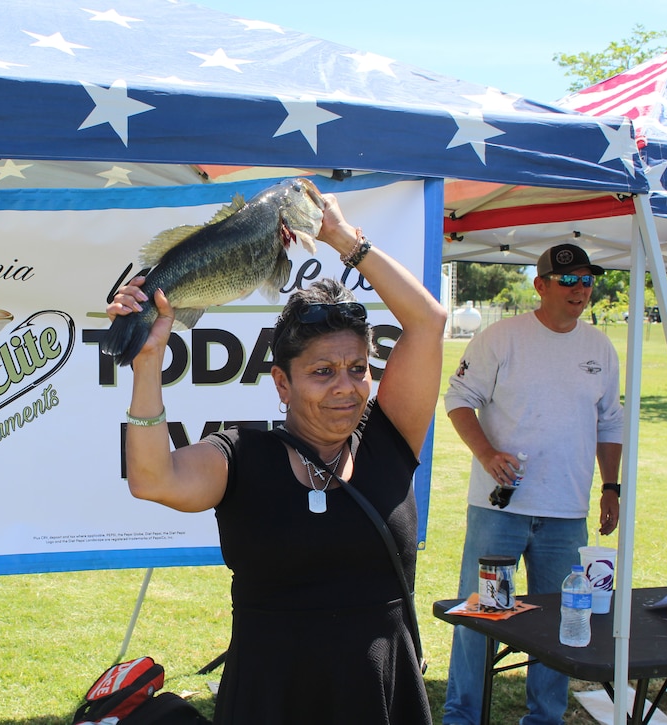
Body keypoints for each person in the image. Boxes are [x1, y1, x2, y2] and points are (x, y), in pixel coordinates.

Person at [107, 194, 446, 724]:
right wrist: (148, 360)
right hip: (272, 697)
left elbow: (428, 320)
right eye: (322, 372)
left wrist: (344, 240)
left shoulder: (389, 440)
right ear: (282, 383)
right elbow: (153, 479)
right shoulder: (244, 458)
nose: (346, 387)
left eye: (357, 368)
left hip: (381, 696)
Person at [441, 243, 624, 725]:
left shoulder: (600, 348)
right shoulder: (502, 338)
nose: (579, 289)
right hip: (498, 509)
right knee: (481, 617)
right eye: (567, 280)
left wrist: (611, 487)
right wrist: (486, 453)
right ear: (539, 285)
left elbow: (610, 423)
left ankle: (545, 717)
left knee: (563, 619)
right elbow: (458, 399)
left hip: (566, 511)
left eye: (586, 280)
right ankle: (463, 716)